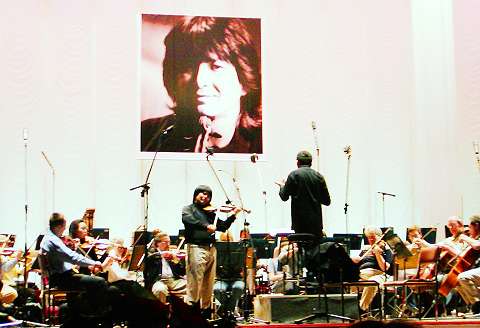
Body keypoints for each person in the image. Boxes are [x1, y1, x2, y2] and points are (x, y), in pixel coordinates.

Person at [141, 16, 262, 153]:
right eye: (187, 67)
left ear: (244, 81)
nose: (199, 80)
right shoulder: (145, 135)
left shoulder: (266, 142)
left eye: (216, 67)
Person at [182, 185, 241, 319]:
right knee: (195, 283)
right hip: (196, 248)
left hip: (211, 249)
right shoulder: (188, 209)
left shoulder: (211, 213)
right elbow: (188, 220)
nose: (205, 197)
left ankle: (205, 314)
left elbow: (222, 227)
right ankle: (191, 313)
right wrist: (206, 226)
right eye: (202, 194)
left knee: (208, 283)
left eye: (208, 195)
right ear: (195, 195)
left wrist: (233, 215)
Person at [39, 213, 110, 323]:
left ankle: (80, 315)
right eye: (64, 227)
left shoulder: (48, 238)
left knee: (89, 282)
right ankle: (96, 317)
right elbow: (72, 257)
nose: (64, 230)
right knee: (100, 282)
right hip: (62, 279)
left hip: (59, 277)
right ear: (59, 226)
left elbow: (67, 259)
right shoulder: (53, 241)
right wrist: (94, 263)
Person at [278, 150, 331, 237]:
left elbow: (284, 197)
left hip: (299, 224)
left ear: (298, 162)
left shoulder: (293, 175)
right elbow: (327, 201)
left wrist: (282, 186)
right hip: (316, 225)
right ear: (311, 163)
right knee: (316, 249)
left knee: (301, 248)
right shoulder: (319, 176)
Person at [351, 226, 393, 313]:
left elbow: (384, 268)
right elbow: (357, 262)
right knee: (352, 280)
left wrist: (378, 254)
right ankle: (351, 308)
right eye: (369, 238)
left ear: (379, 236)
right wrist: (353, 260)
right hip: (362, 274)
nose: (371, 240)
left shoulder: (386, 249)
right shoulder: (365, 250)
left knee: (372, 283)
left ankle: (362, 309)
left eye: (373, 237)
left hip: (380, 274)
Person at [144, 231, 187, 304]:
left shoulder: (171, 254)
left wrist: (175, 260)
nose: (168, 244)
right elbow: (149, 261)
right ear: (158, 243)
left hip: (173, 281)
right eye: (165, 242)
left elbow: (182, 272)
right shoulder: (151, 254)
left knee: (192, 287)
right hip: (159, 281)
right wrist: (160, 255)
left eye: (169, 242)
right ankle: (162, 312)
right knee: (160, 290)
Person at [452, 215, 480, 314]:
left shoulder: (475, 240)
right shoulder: (475, 238)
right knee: (456, 281)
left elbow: (477, 245)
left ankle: (478, 306)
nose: (469, 230)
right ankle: (474, 306)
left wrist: (465, 237)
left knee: (462, 277)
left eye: (470, 227)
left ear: (476, 226)